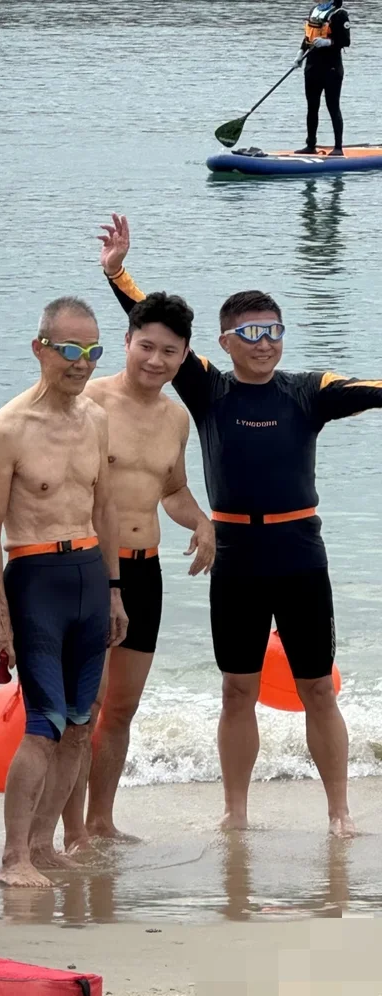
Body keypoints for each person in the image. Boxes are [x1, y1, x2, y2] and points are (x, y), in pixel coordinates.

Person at [99, 212, 382, 837]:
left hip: (300, 554)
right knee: (236, 689)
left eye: (274, 331)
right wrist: (117, 273)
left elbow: (371, 388)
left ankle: (339, 812)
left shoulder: (308, 390)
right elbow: (156, 327)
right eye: (251, 332)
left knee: (318, 689)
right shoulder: (209, 389)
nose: (264, 342)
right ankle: (235, 811)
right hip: (236, 558)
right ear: (226, 341)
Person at [0, 296, 128, 889]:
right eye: (69, 349)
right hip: (35, 579)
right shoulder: (8, 429)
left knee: (81, 724)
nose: (81, 362)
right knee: (44, 723)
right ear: (40, 348)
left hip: (90, 574)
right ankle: (13, 856)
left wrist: (114, 590)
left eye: (91, 351)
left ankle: (43, 844)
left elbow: (105, 507)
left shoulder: (96, 419)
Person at [62, 291, 214, 851]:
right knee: (86, 707)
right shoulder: (89, 403)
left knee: (122, 708)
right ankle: (71, 830)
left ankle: (101, 820)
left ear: (184, 355)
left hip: (145, 571)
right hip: (91, 568)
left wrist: (202, 521)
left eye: (169, 352)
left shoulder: (176, 417)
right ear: (126, 342)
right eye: (145, 346)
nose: (155, 360)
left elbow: (170, 490)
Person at [295, 0, 351, 155]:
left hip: (331, 68)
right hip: (312, 67)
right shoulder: (314, 11)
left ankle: (338, 148)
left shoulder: (340, 14)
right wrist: (300, 53)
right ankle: (310, 145)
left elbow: (346, 41)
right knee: (312, 107)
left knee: (333, 106)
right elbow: (308, 36)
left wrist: (328, 42)